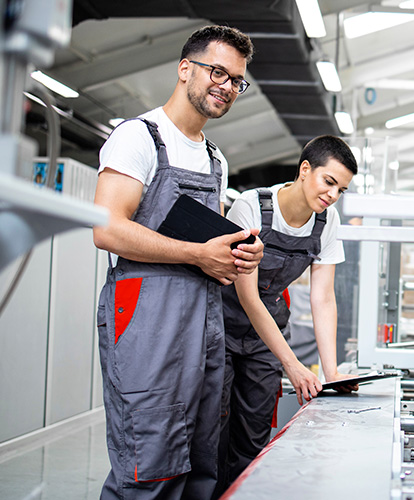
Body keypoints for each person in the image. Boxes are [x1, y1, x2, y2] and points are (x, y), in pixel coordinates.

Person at [92, 25, 264, 500]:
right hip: (146, 317)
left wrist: (239, 251)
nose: (226, 86)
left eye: (236, 80)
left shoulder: (215, 158)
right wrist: (197, 254)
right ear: (185, 68)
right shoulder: (139, 137)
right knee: (149, 465)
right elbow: (106, 228)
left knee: (199, 462)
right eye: (217, 72)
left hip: (203, 323)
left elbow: (211, 242)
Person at [217, 135, 359, 490]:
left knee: (253, 435)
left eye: (341, 190)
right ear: (305, 169)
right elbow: (247, 296)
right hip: (222, 328)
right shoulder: (252, 207)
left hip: (267, 338)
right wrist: (293, 365)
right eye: (329, 182)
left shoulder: (327, 223)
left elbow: (323, 298)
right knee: (211, 433)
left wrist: (331, 375)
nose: (332, 195)